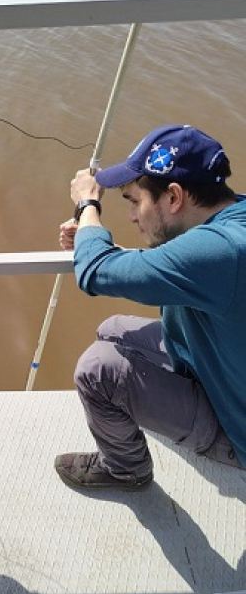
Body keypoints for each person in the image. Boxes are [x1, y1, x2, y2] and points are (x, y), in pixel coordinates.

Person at [56, 123, 246, 491]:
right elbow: (168, 261)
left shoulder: (221, 252)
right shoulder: (232, 217)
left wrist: (88, 207)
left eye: (134, 201)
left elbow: (97, 273)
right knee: (112, 329)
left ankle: (126, 470)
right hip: (218, 364)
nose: (131, 216)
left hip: (234, 421)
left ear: (174, 197)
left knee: (98, 371)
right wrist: (87, 234)